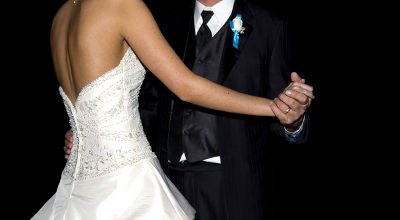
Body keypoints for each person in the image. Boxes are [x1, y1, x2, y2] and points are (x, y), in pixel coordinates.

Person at [34, 0, 314, 219]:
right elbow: (183, 88)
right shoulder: (128, 7)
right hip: (137, 182)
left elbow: (94, 97)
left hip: (83, 186)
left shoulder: (61, 15)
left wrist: (83, 130)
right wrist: (273, 106)